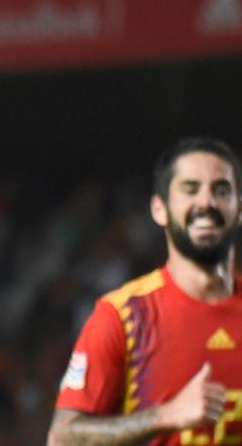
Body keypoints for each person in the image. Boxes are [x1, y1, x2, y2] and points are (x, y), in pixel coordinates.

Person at [48, 137, 242, 446]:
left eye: (221, 190)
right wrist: (164, 416)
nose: (207, 202)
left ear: (239, 209)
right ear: (159, 209)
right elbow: (63, 437)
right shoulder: (123, 316)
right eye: (190, 189)